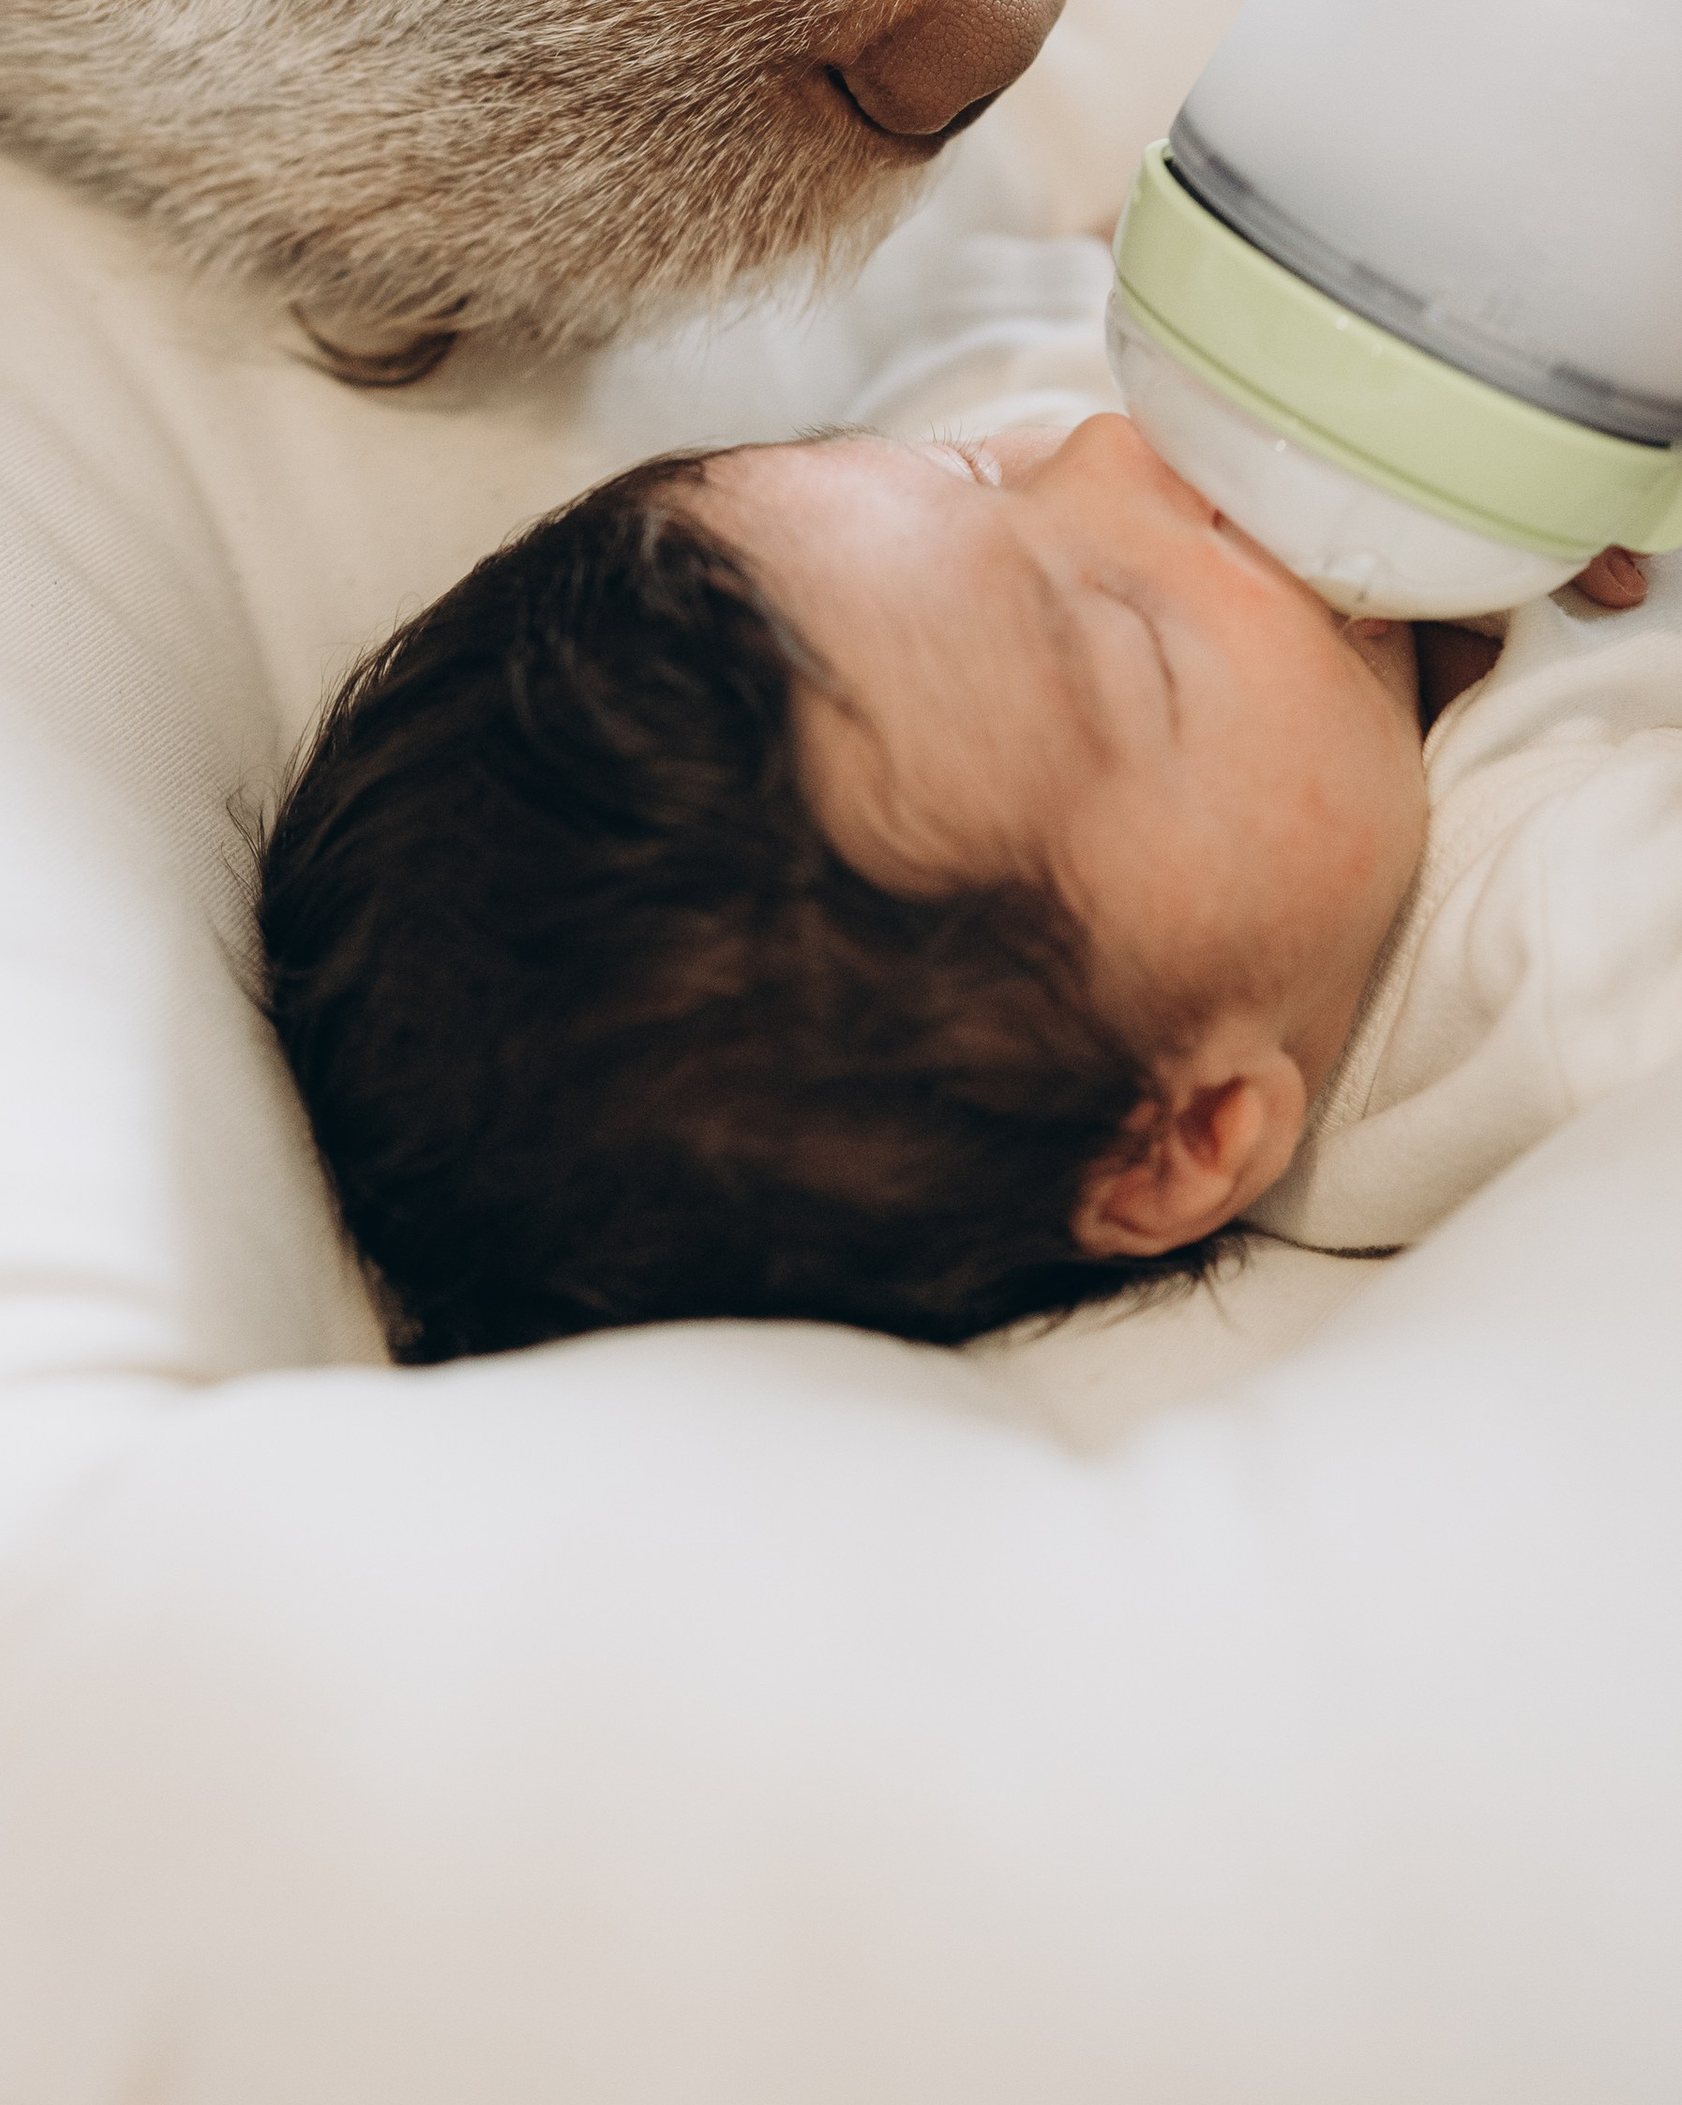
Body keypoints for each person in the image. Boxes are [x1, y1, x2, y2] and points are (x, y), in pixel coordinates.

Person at [255, 227, 1681, 1356]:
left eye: (963, 470)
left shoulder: (1022, 503)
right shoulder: (1550, 950)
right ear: (1184, 1138)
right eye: (1131, 632)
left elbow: (1061, 281)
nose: (1107, 449)